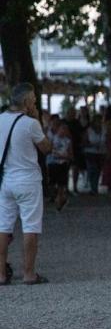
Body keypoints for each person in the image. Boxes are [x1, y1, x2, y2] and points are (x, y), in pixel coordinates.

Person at [0, 83, 53, 285]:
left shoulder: (0, 120)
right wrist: (38, 119)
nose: (35, 102)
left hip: (6, 180)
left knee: (3, 226)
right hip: (28, 180)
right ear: (25, 102)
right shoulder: (31, 123)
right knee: (30, 225)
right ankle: (29, 273)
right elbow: (46, 148)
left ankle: (1, 274)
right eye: (33, 99)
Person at [47, 120, 73, 211]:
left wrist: (67, 157)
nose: (63, 131)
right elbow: (49, 150)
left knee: (62, 183)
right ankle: (54, 195)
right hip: (53, 163)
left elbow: (70, 154)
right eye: (62, 129)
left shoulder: (68, 141)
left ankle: (60, 200)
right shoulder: (53, 139)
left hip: (63, 163)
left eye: (65, 130)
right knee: (52, 182)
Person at [84, 114, 106, 195]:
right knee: (92, 170)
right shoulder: (89, 130)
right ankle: (92, 187)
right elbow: (84, 142)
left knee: (98, 171)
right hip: (90, 152)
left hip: (101, 153)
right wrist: (93, 145)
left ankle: (95, 187)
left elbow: (106, 140)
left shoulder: (104, 129)